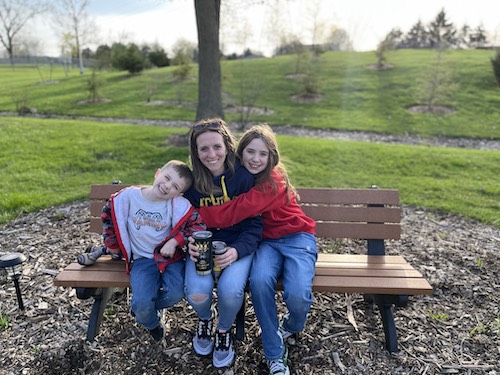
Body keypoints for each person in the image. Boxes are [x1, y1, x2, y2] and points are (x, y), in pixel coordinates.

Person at [197, 124, 317, 375]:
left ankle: (293, 324)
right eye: (250, 152)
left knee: (298, 296)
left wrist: (193, 215)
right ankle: (275, 354)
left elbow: (235, 210)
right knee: (260, 282)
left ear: (272, 156)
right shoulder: (242, 177)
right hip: (266, 243)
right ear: (240, 153)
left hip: (297, 238)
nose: (256, 159)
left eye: (263, 154)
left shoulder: (273, 180)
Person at [183, 118, 263, 368]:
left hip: (238, 246)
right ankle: (206, 319)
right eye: (203, 148)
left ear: (227, 146)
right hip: (203, 247)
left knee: (230, 292)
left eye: (217, 146)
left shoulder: (243, 178)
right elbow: (182, 221)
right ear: (196, 152)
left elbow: (254, 225)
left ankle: (224, 330)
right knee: (197, 293)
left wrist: (237, 251)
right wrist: (189, 242)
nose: (211, 154)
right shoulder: (192, 184)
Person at [100, 160, 205, 341]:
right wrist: (112, 244)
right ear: (157, 173)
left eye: (175, 186)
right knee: (141, 305)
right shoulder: (128, 197)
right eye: (166, 178)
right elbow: (109, 215)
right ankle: (151, 322)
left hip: (170, 260)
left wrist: (176, 241)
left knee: (176, 293)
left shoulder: (179, 206)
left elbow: (198, 227)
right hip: (142, 260)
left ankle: (147, 307)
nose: (167, 186)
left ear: (179, 194)